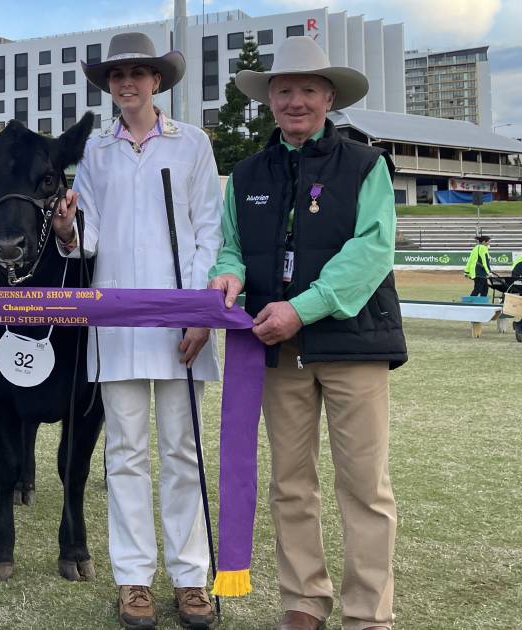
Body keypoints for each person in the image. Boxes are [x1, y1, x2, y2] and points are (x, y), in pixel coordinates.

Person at [208, 36, 407, 630]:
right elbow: (231, 246)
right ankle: (302, 600)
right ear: (270, 98)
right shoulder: (245, 174)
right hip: (276, 347)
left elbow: (372, 250)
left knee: (364, 486)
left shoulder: (366, 165)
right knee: (291, 483)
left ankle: (368, 613)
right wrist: (228, 273)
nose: (296, 101)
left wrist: (304, 307)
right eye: (284, 89)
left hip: (353, 343)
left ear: (329, 97)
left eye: (308, 90)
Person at [51, 32, 222, 630]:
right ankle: (133, 580)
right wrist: (69, 229)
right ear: (109, 85)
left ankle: (191, 579)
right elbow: (87, 242)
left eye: (138, 74)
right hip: (118, 323)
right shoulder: (95, 151)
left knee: (183, 451)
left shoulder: (193, 144)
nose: (128, 83)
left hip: (181, 323)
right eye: (117, 76)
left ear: (157, 81)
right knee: (125, 454)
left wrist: (200, 311)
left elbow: (209, 232)